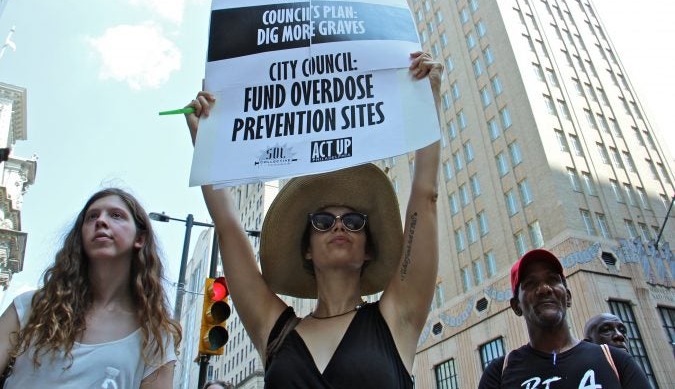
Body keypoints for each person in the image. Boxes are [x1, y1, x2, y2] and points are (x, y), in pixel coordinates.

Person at [185, 51, 442, 388]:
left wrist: (429, 99)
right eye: (322, 220)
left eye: (353, 221)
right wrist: (206, 141)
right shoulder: (273, 329)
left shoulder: (397, 317)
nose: (338, 225)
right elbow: (229, 226)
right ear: (307, 248)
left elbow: (426, 193)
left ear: (368, 249)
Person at [0, 188, 181, 388]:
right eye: (92, 216)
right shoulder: (27, 308)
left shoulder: (154, 337)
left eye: (116, 215)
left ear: (140, 239)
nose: (101, 221)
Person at [479, 249, 649, 388]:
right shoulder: (499, 373)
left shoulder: (616, 361)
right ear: (516, 306)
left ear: (567, 297)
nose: (544, 289)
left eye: (553, 280)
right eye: (531, 284)